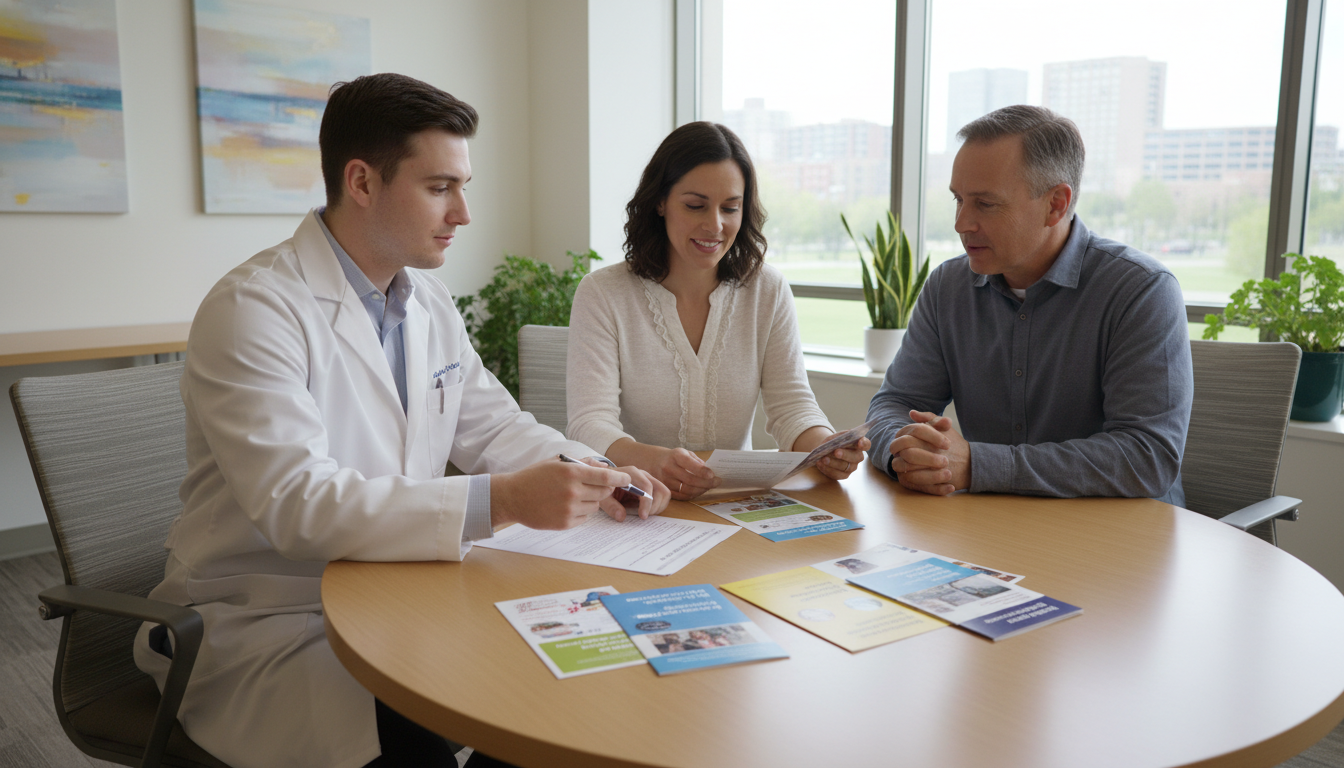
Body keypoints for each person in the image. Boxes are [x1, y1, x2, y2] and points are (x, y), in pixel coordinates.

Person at [132, 73, 669, 768]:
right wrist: (502, 500)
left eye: (462, 186)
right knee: (421, 749)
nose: (464, 212)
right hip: (270, 613)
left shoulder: (428, 303)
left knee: (560, 703)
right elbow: (299, 507)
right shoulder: (254, 310)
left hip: (402, 586)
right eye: (441, 187)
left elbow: (496, 428)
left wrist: (597, 472)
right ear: (361, 182)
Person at [867, 105, 1192, 503]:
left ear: (1056, 203)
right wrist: (905, 455)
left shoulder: (1141, 291)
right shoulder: (947, 288)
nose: (961, 223)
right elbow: (895, 403)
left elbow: (1147, 457)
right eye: (958, 200)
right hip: (995, 531)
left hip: (1119, 544)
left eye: (985, 204)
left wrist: (979, 465)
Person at [565, 121, 869, 500]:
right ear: (660, 202)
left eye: (730, 208)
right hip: (637, 501)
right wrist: (654, 461)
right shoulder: (603, 293)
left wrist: (827, 449)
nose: (715, 225)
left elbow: (792, 407)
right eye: (695, 206)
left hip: (733, 502)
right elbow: (589, 424)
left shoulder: (767, 290)